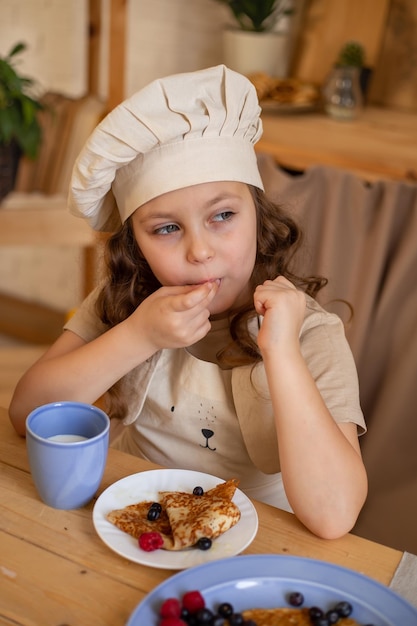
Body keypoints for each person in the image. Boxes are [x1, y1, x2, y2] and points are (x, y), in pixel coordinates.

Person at [9, 65, 367, 539]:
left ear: (258, 217)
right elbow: (25, 416)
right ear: (135, 244)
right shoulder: (127, 300)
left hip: (263, 542)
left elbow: (334, 515)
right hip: (142, 526)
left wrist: (280, 351)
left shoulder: (311, 332)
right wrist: (138, 334)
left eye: (222, 215)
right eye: (167, 228)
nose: (200, 251)